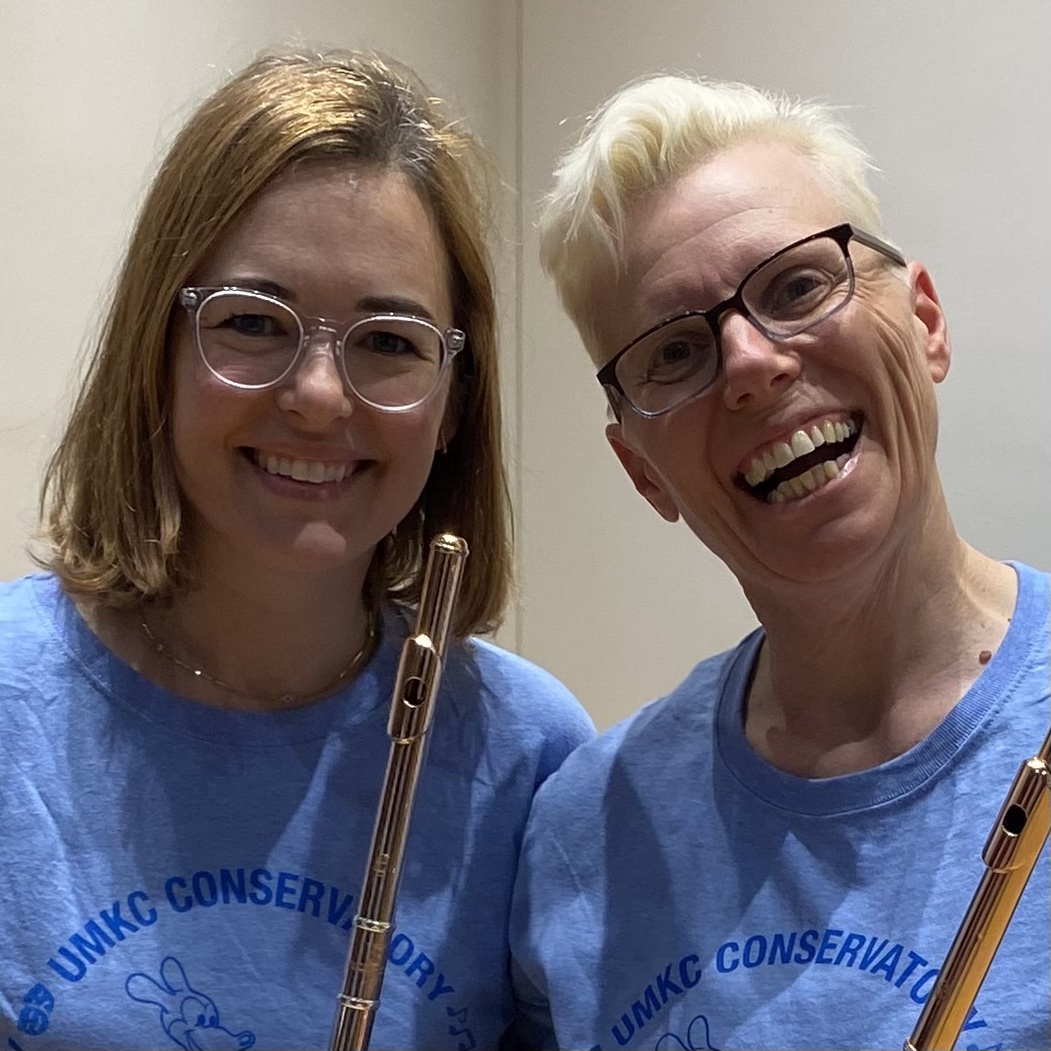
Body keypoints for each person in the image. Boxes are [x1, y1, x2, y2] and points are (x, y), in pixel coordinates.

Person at [0, 49, 594, 1051]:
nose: (318, 394)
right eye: (251, 323)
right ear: (159, 353)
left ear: (455, 404)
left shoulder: (530, 754)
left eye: (389, 341)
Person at [508, 74, 1050, 1050]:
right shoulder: (582, 836)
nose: (752, 362)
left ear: (924, 322)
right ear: (641, 471)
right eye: (673, 352)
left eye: (798, 284)